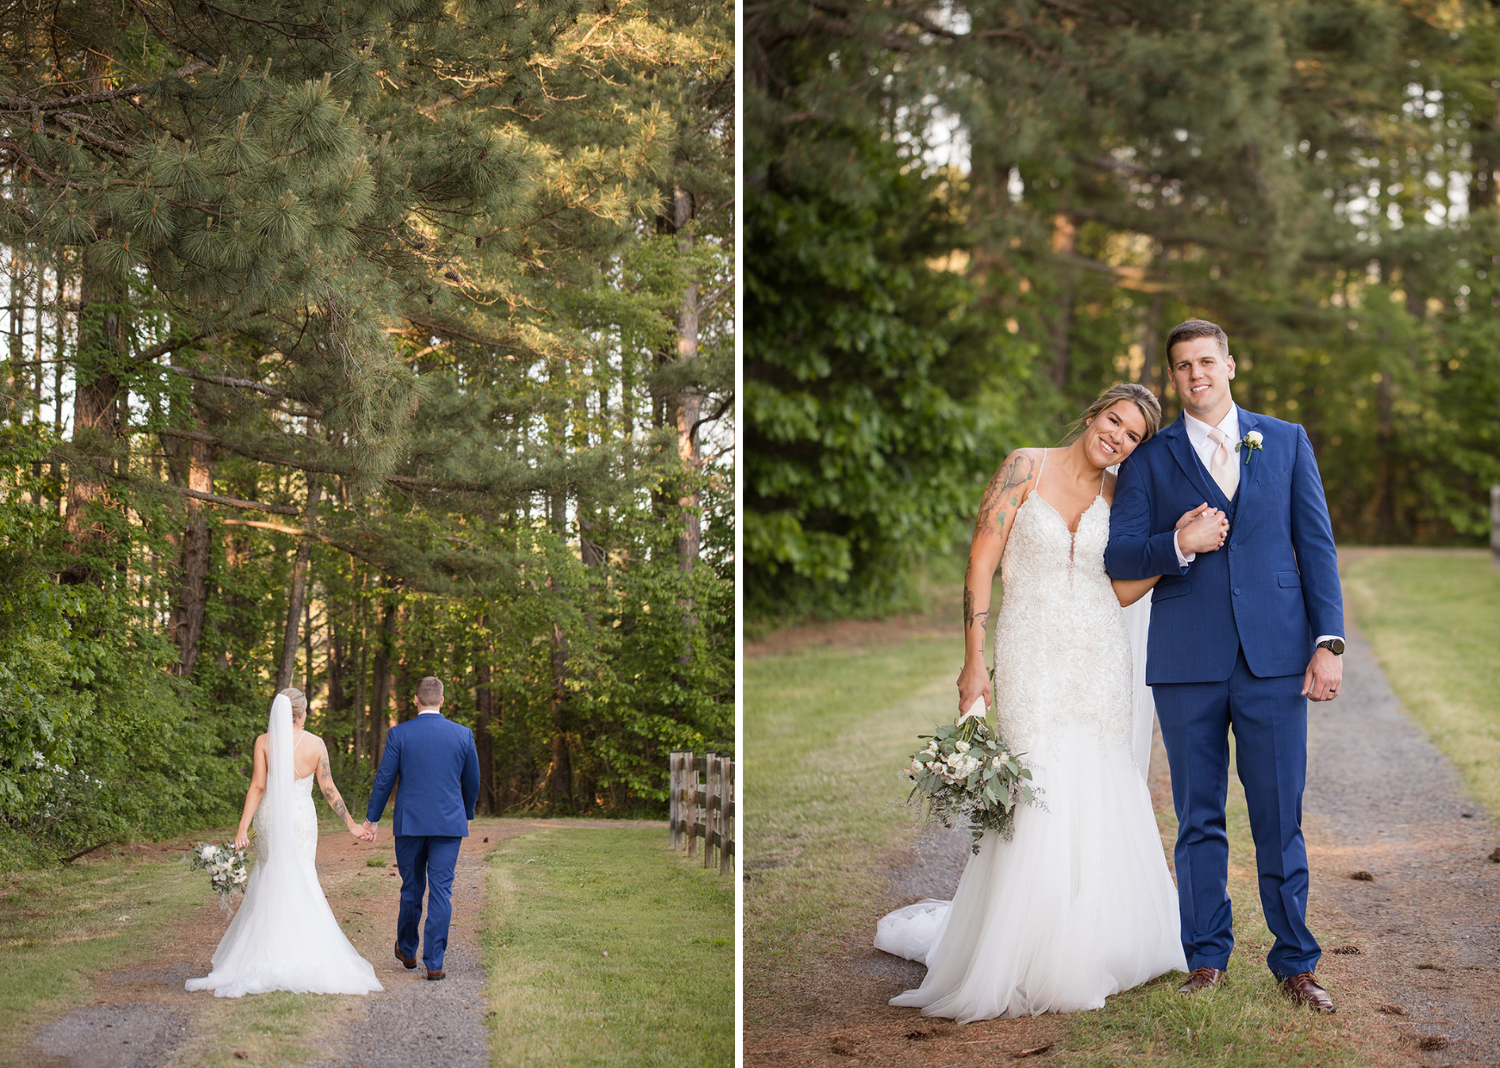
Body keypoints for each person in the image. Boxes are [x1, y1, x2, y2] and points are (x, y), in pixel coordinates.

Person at [876, 384, 1228, 1021]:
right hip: (1028, 650)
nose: (1116, 438)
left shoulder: (1122, 497)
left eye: (1131, 436)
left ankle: (1092, 944)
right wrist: (974, 658)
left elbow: (1122, 591)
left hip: (1098, 655)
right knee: (1034, 785)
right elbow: (981, 563)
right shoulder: (1023, 466)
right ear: (1093, 413)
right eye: (1114, 421)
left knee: (1096, 782)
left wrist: (1178, 546)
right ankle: (1021, 950)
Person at [1105, 319, 1343, 1013]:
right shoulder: (1149, 461)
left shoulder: (1287, 439)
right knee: (1198, 816)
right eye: (1182, 366)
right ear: (1172, 377)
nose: (1195, 374)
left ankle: (1296, 963)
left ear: (1230, 364)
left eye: (1206, 361)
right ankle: (1206, 957)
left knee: (1278, 815)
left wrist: (1328, 642)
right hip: (1187, 660)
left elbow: (1317, 547)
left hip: (1275, 658)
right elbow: (1120, 559)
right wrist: (1180, 542)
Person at [186, 688, 382, 997]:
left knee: (269, 875)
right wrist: (352, 825)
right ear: (303, 714)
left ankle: (263, 952)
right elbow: (328, 788)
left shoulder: (264, 742)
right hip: (301, 819)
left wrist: (242, 828)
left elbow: (258, 786)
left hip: (270, 817)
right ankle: (302, 950)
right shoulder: (316, 744)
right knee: (302, 875)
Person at [363, 676, 480, 981]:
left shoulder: (400, 734)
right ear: (443, 700)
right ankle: (435, 962)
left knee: (412, 887)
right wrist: (467, 812)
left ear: (415, 700)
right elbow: (472, 780)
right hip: (448, 823)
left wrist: (371, 819)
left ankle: (408, 949)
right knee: (441, 891)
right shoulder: (463, 735)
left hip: (410, 824)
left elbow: (384, 779)